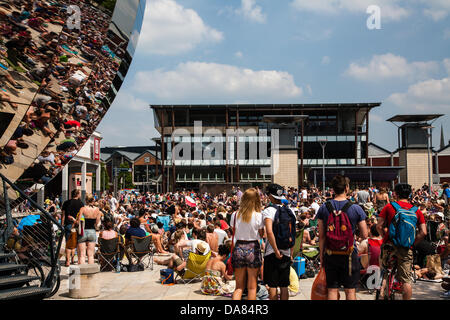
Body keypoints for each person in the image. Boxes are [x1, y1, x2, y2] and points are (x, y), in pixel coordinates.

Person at [317, 175, 368, 300]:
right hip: (349, 255)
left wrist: (322, 256)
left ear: (333, 189)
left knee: (332, 290)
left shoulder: (324, 207)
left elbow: (322, 236)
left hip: (330, 254)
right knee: (350, 291)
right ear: (346, 188)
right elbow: (365, 234)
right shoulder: (356, 208)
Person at [376, 183, 427, 300]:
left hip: (389, 245)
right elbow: (423, 232)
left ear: (395, 193)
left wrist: (385, 237)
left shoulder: (389, 207)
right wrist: (412, 243)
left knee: (384, 271)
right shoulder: (416, 211)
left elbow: (379, 226)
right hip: (406, 247)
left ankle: (382, 294)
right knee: (406, 280)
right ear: (409, 194)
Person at [263, 184, 296, 301]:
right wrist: (291, 253)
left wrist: (276, 251)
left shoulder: (268, 211)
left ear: (270, 197)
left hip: (272, 252)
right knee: (284, 286)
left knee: (272, 285)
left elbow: (269, 232)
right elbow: (293, 234)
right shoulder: (290, 211)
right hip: (286, 251)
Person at [230, 188, 265, 301]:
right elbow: (261, 234)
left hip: (239, 247)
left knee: (239, 287)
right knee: (252, 287)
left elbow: (233, 231)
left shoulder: (235, 215)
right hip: (253, 248)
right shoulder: (259, 216)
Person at [61, 189, 84, 267]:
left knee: (68, 243)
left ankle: (67, 261)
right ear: (77, 194)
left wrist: (61, 224)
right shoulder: (81, 203)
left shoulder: (66, 203)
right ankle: (72, 259)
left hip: (68, 224)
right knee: (74, 243)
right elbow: (81, 216)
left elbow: (63, 215)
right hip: (76, 225)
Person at [76, 195, 102, 264]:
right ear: (93, 201)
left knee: (82, 255)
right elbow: (97, 222)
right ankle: (90, 272)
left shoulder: (83, 209)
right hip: (92, 231)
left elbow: (78, 221)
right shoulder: (97, 209)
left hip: (83, 231)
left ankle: (82, 271)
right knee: (91, 255)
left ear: (86, 200)